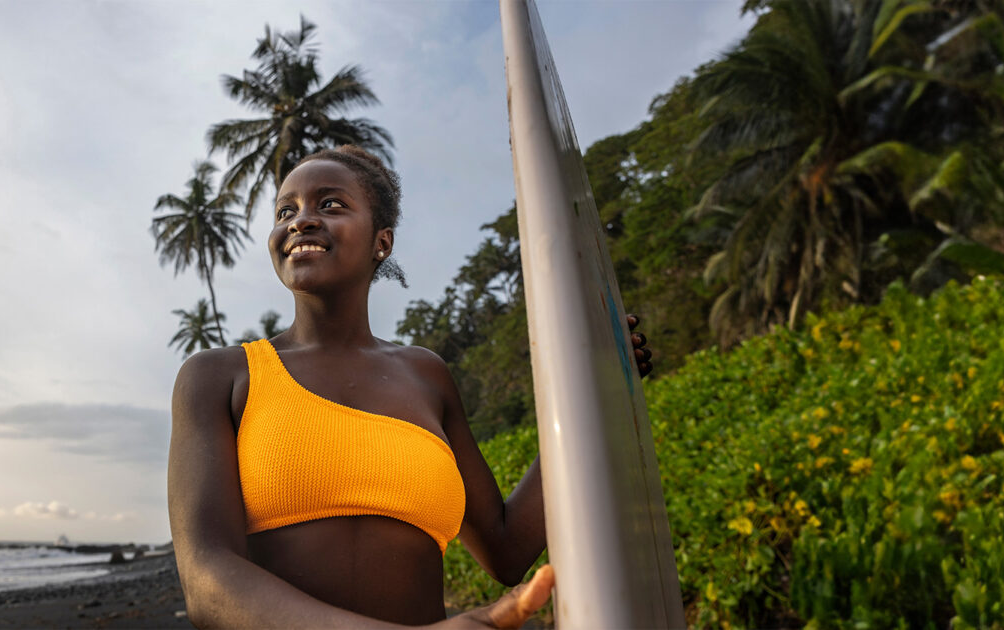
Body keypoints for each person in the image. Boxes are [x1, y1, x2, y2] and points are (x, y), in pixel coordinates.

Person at [167, 145, 653, 628]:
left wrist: (596, 394)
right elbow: (207, 582)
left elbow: (505, 548)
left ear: (383, 241)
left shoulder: (426, 375)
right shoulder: (220, 376)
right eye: (285, 211)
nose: (300, 221)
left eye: (329, 204)